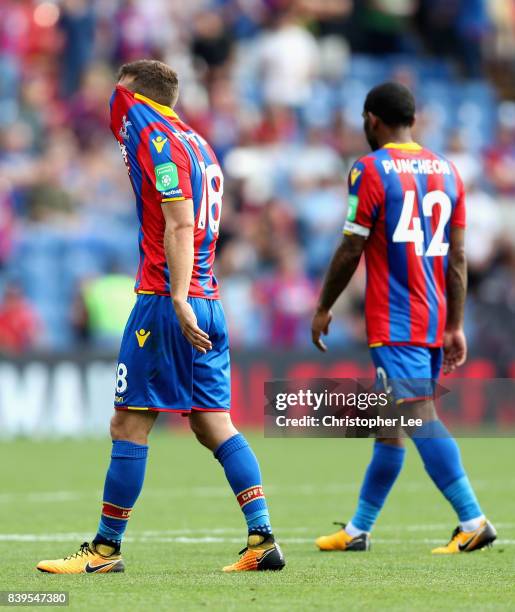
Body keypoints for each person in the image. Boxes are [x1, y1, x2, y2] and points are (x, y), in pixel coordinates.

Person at [37, 59, 285, 574]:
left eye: (119, 91)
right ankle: (262, 539)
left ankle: (105, 550)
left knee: (128, 423)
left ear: (133, 92)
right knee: (213, 422)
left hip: (168, 300)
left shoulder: (159, 138)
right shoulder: (196, 140)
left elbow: (179, 222)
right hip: (211, 300)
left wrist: (175, 297)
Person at [311, 82, 496, 554]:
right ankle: (358, 530)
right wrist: (454, 324)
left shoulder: (370, 170)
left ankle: (472, 518)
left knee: (416, 417)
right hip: (433, 319)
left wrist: (324, 305)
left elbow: (352, 243)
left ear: (371, 119)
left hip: (396, 322)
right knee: (389, 425)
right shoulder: (450, 172)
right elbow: (457, 258)